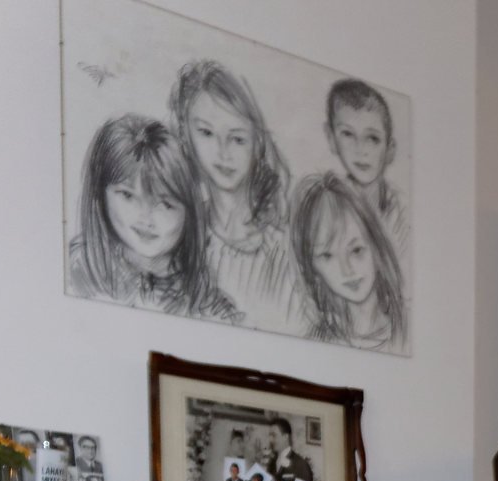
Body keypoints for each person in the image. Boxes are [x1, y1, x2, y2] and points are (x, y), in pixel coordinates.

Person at [168, 60, 304, 331]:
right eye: (207, 133)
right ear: (185, 136)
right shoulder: (175, 238)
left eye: (237, 138)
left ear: (257, 144)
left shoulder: (285, 253)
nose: (223, 152)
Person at [68, 114, 237, 322]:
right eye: (128, 195)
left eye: (165, 204)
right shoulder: (74, 269)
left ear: (190, 213)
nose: (146, 218)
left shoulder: (211, 307)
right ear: (100, 195)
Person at [291, 172, 408, 354]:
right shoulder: (312, 345)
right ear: (312, 268)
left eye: (356, 250)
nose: (347, 270)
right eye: (327, 256)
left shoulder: (411, 327)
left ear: (377, 246)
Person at [324, 78, 407, 253]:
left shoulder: (401, 211)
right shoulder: (327, 206)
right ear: (331, 139)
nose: (360, 150)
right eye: (348, 134)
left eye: (372, 139)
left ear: (390, 150)